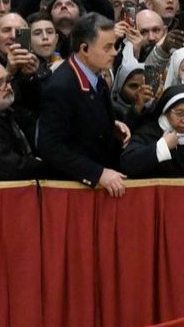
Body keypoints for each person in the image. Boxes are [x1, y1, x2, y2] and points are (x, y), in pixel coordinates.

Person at [36, 14, 129, 195]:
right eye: (108, 47)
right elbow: (50, 147)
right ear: (84, 48)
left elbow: (84, 116)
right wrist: (97, 173)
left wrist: (110, 124)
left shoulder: (96, 75)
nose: (114, 52)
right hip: (70, 189)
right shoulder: (61, 86)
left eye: (115, 46)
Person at [120, 86, 184, 179]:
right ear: (166, 112)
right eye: (180, 114)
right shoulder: (149, 132)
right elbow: (127, 164)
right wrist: (162, 147)